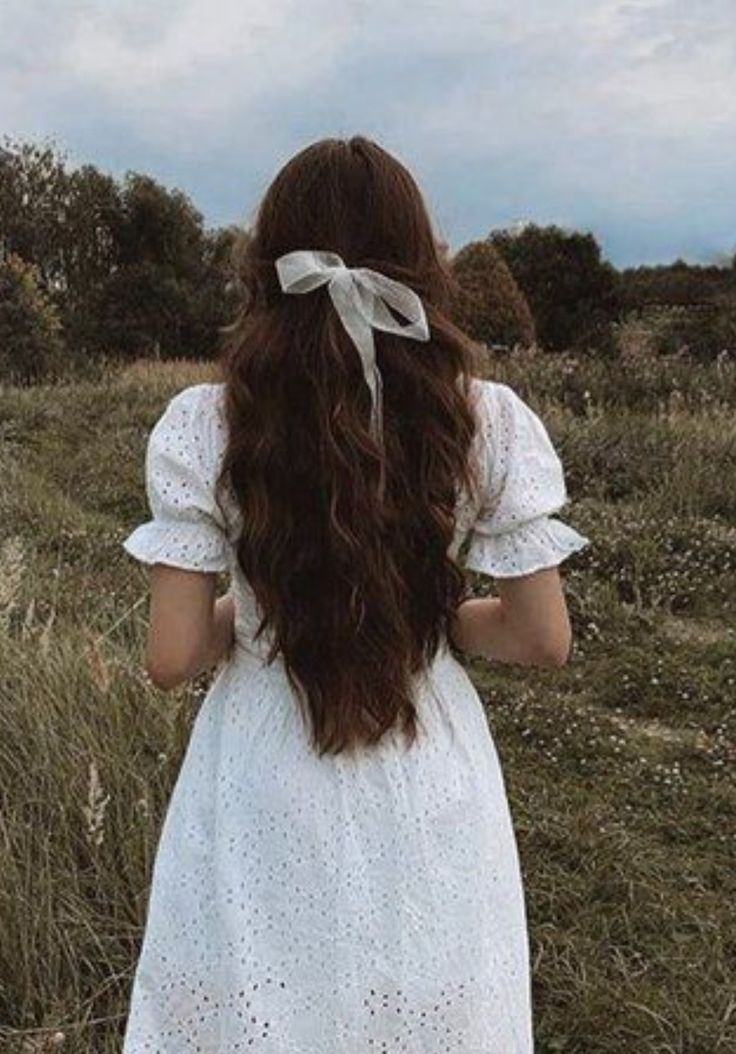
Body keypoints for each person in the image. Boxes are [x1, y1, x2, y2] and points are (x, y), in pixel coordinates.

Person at [120, 134, 590, 1053]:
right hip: (428, 773)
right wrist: (428, 615)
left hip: (260, 771)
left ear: (267, 265)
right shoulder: (484, 418)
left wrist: (256, 614)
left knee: (259, 1003)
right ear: (421, 263)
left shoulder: (207, 423)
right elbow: (542, 638)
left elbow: (171, 658)